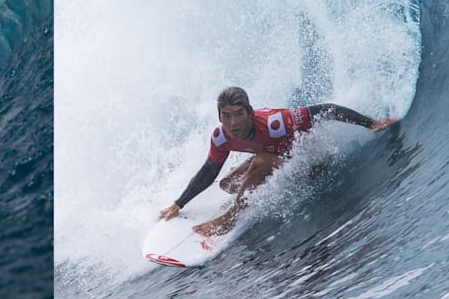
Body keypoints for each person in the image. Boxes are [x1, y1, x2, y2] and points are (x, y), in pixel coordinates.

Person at [159, 86, 395, 237]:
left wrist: (371, 123)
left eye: (239, 114)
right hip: (272, 155)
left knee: (262, 161)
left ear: (250, 113)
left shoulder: (277, 122)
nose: (233, 123)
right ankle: (254, 169)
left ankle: (231, 217)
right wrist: (179, 204)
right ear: (219, 116)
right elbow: (208, 172)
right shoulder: (221, 136)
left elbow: (327, 110)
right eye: (226, 116)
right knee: (227, 185)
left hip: (306, 161)